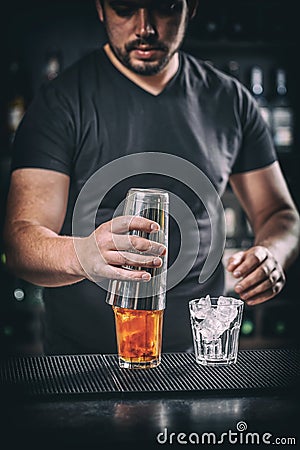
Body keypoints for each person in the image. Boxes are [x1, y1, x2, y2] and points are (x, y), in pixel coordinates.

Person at [3, 0, 300, 355]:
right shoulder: (59, 103)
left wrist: (272, 254)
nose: (145, 27)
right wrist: (81, 254)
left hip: (201, 357)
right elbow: (20, 242)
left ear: (191, 8)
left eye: (165, 7)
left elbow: (280, 215)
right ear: (100, 8)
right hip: (80, 363)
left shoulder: (231, 101)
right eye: (125, 8)